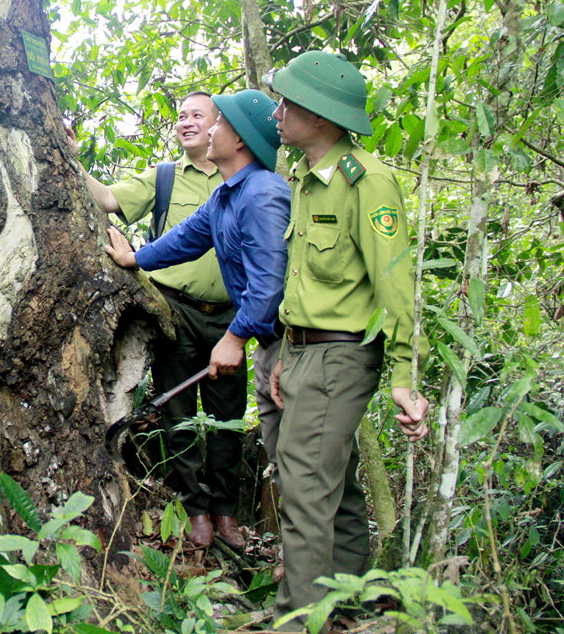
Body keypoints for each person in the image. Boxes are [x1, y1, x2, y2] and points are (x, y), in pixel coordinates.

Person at [266, 51, 430, 630]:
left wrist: (406, 379)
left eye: (289, 103)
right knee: (330, 482)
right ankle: (350, 601)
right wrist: (286, 356)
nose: (278, 112)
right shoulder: (306, 180)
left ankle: (298, 619)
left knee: (304, 482)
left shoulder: (368, 181)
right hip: (305, 350)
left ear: (323, 116)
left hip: (343, 355)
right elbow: (300, 281)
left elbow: (395, 286)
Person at [102, 90, 290, 550]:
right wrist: (137, 259)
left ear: (241, 140)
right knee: (180, 418)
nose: (209, 129)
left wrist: (234, 336)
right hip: (204, 323)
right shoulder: (229, 194)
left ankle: (272, 545)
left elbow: (269, 284)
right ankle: (196, 511)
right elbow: (186, 237)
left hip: (272, 340)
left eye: (218, 122)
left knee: (257, 435)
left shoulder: (263, 193)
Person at [68, 91, 238, 548]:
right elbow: (105, 199)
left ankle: (226, 511)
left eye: (196, 115)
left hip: (231, 319)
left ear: (219, 125)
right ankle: (196, 509)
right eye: (180, 116)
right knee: (176, 410)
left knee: (229, 416)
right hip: (176, 312)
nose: (185, 123)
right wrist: (71, 157)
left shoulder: (239, 178)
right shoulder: (164, 178)